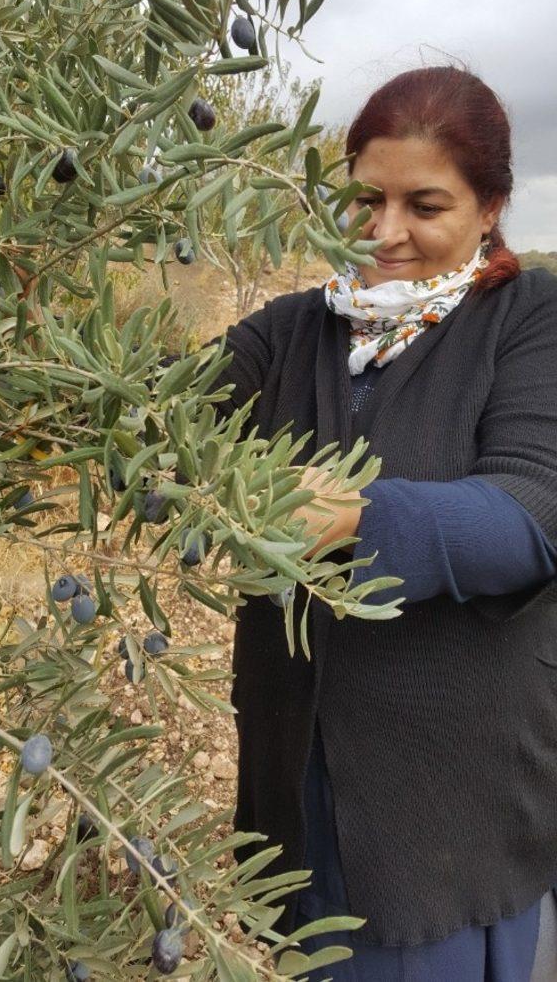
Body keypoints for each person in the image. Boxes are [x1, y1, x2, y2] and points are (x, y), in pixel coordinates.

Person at [212, 65, 557, 981]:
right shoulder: (293, 331)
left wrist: (356, 516)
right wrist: (3, 375)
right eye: (365, 199)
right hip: (297, 790)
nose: (384, 232)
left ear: (490, 207)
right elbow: (158, 405)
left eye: (424, 204)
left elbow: (530, 512)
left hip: (448, 815)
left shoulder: (530, 321)